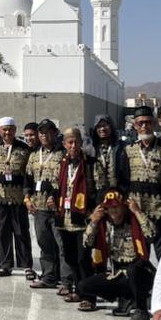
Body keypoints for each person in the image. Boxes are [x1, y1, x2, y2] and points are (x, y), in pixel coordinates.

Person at [79, 189, 156, 320]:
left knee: (133, 271)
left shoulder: (134, 220)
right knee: (84, 286)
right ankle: (126, 299)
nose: (112, 211)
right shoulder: (104, 223)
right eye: (108, 208)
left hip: (140, 270)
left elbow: (152, 235)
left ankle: (141, 310)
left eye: (115, 207)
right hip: (118, 273)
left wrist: (138, 212)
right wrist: (93, 222)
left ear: (123, 206)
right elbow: (87, 243)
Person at [118, 105, 161, 258]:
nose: (144, 126)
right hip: (137, 212)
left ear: (154, 124)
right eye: (140, 123)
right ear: (135, 126)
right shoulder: (128, 150)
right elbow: (123, 182)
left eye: (148, 122)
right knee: (139, 257)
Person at [0, 117, 33, 277]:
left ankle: (27, 266)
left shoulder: (24, 149)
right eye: (4, 129)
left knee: (21, 232)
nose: (7, 132)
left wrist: (27, 194)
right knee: (2, 232)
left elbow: (29, 173)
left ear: (15, 130)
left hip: (18, 198)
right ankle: (5, 265)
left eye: (10, 129)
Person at [56, 126, 96, 303]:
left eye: (76, 142)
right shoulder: (62, 163)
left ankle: (89, 295)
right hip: (64, 217)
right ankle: (79, 290)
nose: (73, 146)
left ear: (81, 143)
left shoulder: (90, 163)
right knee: (70, 257)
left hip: (82, 218)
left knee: (83, 259)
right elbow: (56, 186)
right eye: (70, 142)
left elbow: (98, 188)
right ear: (64, 144)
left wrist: (93, 209)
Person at [25, 119, 64, 289]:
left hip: (57, 208)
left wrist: (57, 196)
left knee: (61, 245)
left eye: (48, 132)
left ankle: (66, 280)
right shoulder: (34, 155)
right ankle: (49, 276)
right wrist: (27, 198)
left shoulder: (63, 153)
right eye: (41, 132)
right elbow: (27, 178)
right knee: (44, 243)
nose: (44, 135)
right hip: (39, 207)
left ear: (55, 133)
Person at [89, 114, 124, 205]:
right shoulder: (90, 148)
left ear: (111, 127)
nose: (102, 129)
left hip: (116, 192)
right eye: (99, 126)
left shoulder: (121, 147)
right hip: (97, 194)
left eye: (105, 125)